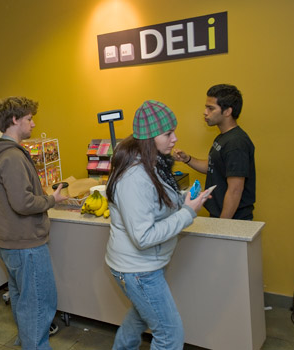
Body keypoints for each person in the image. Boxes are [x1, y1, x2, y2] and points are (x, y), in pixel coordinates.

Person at [105, 100, 210, 349]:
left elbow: (156, 204)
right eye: (168, 133)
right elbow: (143, 236)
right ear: (149, 138)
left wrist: (186, 200)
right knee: (169, 335)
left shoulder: (151, 164)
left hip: (141, 267)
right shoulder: (134, 177)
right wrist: (187, 212)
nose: (175, 138)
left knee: (137, 320)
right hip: (138, 270)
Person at [0, 97, 67, 350]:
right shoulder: (12, 157)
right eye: (29, 119)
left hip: (10, 243)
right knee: (39, 303)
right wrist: (52, 199)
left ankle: (26, 341)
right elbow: (23, 203)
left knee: (21, 298)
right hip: (26, 244)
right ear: (15, 120)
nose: (34, 123)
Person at [173, 84, 256, 220]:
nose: (205, 112)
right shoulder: (223, 137)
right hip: (220, 215)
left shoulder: (236, 143)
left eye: (210, 108)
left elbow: (235, 190)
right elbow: (214, 167)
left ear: (227, 111)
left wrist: (222, 225)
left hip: (234, 220)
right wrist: (187, 159)